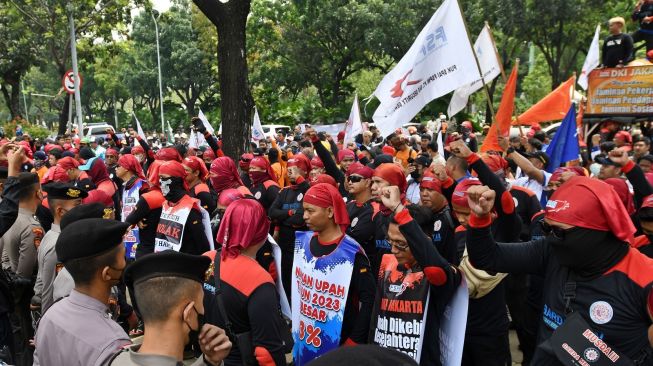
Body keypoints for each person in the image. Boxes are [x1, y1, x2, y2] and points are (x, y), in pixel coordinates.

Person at [465, 177, 653, 365]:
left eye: (559, 232)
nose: (551, 238)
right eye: (546, 228)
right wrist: (480, 218)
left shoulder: (645, 278)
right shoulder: (550, 251)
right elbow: (487, 257)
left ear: (596, 232)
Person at [369, 186, 461, 364]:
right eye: (391, 241)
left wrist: (400, 211)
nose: (394, 250)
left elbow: (436, 267)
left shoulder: (439, 274)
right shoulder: (388, 264)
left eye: (401, 244)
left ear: (423, 240)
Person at [292, 183, 375, 365]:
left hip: (340, 344)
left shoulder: (352, 254)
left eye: (310, 211)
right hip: (306, 341)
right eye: (304, 210)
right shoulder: (303, 242)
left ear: (330, 212)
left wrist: (354, 341)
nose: (304, 216)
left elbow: (369, 300)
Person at [33, 219, 132, 365]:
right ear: (107, 273)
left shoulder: (51, 315)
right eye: (123, 257)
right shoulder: (113, 342)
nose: (125, 262)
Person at [204, 199, 288, 366]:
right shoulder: (259, 281)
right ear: (261, 231)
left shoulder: (207, 258)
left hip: (208, 357)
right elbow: (267, 352)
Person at [113, 251, 232, 366]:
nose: (203, 311)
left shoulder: (116, 359)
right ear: (189, 314)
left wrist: (209, 361)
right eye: (201, 303)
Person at [32, 182, 86, 318]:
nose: (82, 209)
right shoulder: (58, 244)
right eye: (77, 205)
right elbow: (48, 290)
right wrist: (46, 329)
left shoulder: (53, 235)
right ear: (60, 211)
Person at [269, 154, 311, 300]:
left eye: (297, 168)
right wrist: (289, 213)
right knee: (285, 277)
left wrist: (282, 218)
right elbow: (272, 212)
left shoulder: (309, 189)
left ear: (305, 171)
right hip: (284, 243)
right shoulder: (285, 191)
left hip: (301, 243)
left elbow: (300, 219)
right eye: (289, 168)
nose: (291, 172)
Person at [155, 161, 212, 254]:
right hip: (166, 263)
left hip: (186, 264)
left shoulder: (190, 208)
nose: (160, 182)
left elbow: (202, 244)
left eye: (164, 178)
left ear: (176, 180)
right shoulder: (166, 204)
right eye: (159, 178)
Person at [115, 154, 150, 260]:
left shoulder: (142, 185)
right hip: (129, 232)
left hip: (142, 235)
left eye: (118, 166)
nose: (116, 168)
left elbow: (149, 206)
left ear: (126, 168)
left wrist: (139, 219)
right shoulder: (125, 186)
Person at [345, 162, 378, 260]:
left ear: (368, 182)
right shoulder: (350, 204)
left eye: (355, 179)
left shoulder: (375, 209)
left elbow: (354, 239)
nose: (350, 182)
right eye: (349, 179)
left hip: (364, 261)